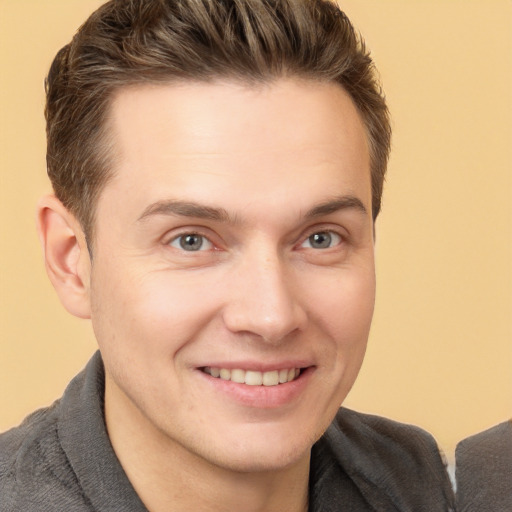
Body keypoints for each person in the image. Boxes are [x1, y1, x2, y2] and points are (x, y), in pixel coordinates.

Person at [0, 1, 455, 510]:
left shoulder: (445, 491)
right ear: (71, 260)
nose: (271, 316)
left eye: (320, 238)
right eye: (191, 240)